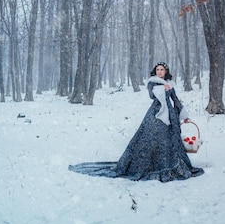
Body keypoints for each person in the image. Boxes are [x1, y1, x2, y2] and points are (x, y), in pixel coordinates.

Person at [68, 62, 204, 181]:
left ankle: (170, 165)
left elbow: (175, 100)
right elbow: (152, 96)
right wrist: (162, 89)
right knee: (151, 138)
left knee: (170, 140)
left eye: (162, 70)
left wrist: (184, 115)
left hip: (170, 116)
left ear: (166, 71)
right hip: (156, 114)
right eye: (158, 70)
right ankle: (150, 165)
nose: (159, 72)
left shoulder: (170, 84)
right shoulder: (153, 82)